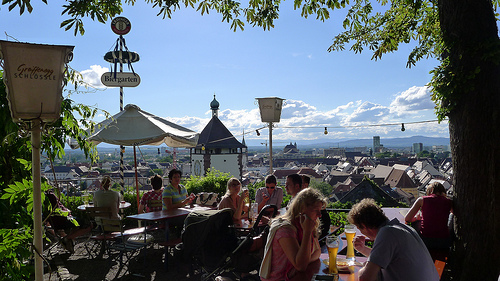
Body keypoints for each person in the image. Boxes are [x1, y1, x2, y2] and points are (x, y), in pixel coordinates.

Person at [349, 198, 439, 281]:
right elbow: (384, 257)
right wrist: (363, 249)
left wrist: (364, 268)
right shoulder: (402, 228)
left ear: (364, 226)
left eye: (359, 229)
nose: (361, 233)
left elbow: (365, 278)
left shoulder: (387, 233)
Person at [259, 188, 325, 281]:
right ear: (302, 208)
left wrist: (305, 261)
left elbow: (317, 252)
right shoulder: (285, 229)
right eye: (315, 210)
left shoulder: (304, 224)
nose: (319, 215)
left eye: (320, 210)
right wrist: (307, 232)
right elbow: (301, 266)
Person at [405, 182, 453, 259]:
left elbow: (407, 218)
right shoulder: (449, 202)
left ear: (430, 191)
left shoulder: (422, 200)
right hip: (443, 240)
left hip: (426, 239)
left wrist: (418, 219)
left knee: (415, 224)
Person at [44, 188, 91, 254]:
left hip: (55, 222)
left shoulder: (41, 198)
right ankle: (67, 238)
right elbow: (59, 209)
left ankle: (67, 240)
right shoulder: (50, 195)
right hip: (63, 220)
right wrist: (68, 212)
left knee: (77, 224)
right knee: (88, 225)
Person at [286, 173, 331, 240]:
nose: (285, 187)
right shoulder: (293, 200)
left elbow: (324, 222)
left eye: (288, 184)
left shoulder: (309, 201)